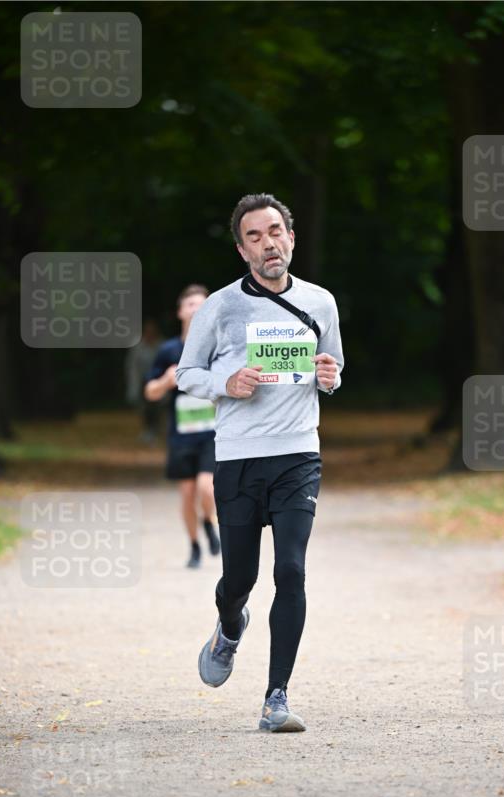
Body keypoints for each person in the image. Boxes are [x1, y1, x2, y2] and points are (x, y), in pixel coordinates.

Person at [176, 193, 344, 732]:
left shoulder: (321, 301)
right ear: (242, 249)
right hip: (240, 458)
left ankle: (277, 698)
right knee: (239, 578)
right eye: (255, 236)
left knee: (291, 569)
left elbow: (334, 367)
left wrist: (328, 376)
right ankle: (229, 626)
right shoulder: (221, 307)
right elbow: (186, 374)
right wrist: (224, 383)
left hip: (298, 453)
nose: (268, 242)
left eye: (276, 231)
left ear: (291, 237)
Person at [144, 284, 221, 568]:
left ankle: (209, 521)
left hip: (213, 432)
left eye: (202, 304)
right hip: (181, 434)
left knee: (206, 487)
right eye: (190, 304)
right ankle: (194, 546)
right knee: (187, 494)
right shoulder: (168, 350)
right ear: (180, 311)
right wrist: (166, 381)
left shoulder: (219, 346)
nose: (196, 309)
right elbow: (149, 392)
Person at [126, 317, 163, 444]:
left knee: (156, 408)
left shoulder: (161, 346)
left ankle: (155, 431)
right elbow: (133, 367)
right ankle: (147, 430)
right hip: (143, 382)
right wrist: (133, 387)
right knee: (144, 409)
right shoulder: (138, 347)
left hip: (159, 382)